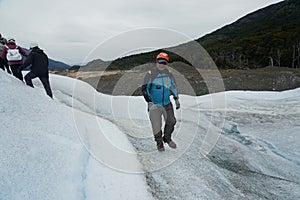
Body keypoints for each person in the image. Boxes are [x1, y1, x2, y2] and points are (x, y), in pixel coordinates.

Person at [142, 52, 180, 151]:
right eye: (160, 62)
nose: (162, 64)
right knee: (156, 125)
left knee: (171, 121)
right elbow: (145, 89)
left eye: (164, 62)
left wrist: (176, 99)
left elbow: (173, 86)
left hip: (167, 103)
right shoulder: (151, 74)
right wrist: (149, 102)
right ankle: (159, 143)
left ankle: (167, 138)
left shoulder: (169, 74)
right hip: (155, 104)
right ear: (156, 61)